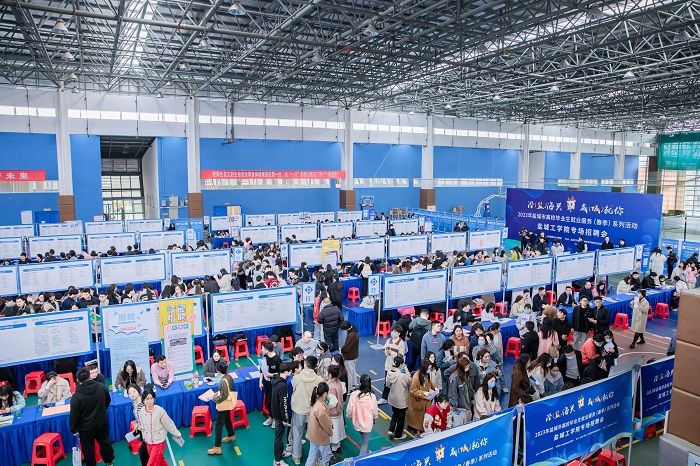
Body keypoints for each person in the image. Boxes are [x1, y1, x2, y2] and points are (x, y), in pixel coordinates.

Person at [70, 368, 115, 466]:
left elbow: (74, 415)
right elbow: (108, 400)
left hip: (85, 428)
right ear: (89, 376)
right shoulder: (102, 387)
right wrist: (101, 412)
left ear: (77, 380)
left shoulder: (76, 397)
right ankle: (109, 462)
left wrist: (73, 429)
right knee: (104, 442)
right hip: (101, 422)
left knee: (88, 449)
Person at [137, 387, 183, 466]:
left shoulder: (160, 411)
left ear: (154, 399)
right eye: (147, 399)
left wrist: (177, 434)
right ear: (143, 400)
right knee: (160, 460)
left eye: (151, 398)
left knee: (152, 464)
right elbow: (142, 424)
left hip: (159, 442)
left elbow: (169, 424)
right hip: (148, 441)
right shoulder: (141, 411)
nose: (149, 401)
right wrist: (140, 428)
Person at [291, 356, 323, 465]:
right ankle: (316, 458)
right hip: (313, 411)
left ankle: (296, 457)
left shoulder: (296, 378)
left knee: (297, 434)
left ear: (305, 364)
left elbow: (293, 387)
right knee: (315, 436)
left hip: (299, 410)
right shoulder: (319, 379)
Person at [207, 363, 237, 455]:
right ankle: (231, 435)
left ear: (218, 371)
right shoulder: (229, 377)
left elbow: (222, 397)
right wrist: (219, 393)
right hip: (228, 402)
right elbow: (227, 391)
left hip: (223, 404)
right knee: (227, 419)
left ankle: (217, 447)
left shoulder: (223, 381)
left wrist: (213, 398)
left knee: (218, 425)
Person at [347, 374, 379, 455]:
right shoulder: (372, 397)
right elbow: (375, 412)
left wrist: (351, 417)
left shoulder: (354, 394)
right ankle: (360, 459)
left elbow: (349, 409)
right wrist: (374, 418)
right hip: (367, 424)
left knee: (363, 439)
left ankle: (366, 452)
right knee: (365, 443)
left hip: (357, 422)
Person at [305, 382, 333, 466]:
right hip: (321, 437)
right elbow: (326, 425)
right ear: (325, 394)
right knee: (327, 458)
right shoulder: (321, 409)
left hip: (313, 434)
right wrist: (330, 432)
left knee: (312, 456)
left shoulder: (316, 402)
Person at [271, 362, 293, 466]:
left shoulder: (275, 380)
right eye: (290, 371)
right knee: (278, 438)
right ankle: (277, 461)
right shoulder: (283, 385)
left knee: (279, 436)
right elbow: (283, 404)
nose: (291, 373)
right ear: (286, 372)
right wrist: (285, 418)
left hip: (275, 413)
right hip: (280, 416)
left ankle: (281, 452)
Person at [407, 360, 437, 433]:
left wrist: (435, 388)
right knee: (417, 418)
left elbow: (429, 382)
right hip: (418, 401)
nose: (429, 370)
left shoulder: (426, 374)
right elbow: (413, 391)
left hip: (426, 400)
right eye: (428, 368)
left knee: (424, 416)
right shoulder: (416, 378)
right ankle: (416, 429)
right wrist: (424, 393)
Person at [386, 356, 411, 441]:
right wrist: (406, 369)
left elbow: (387, 385)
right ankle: (398, 434)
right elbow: (409, 380)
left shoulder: (389, 373)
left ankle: (391, 430)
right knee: (401, 418)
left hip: (392, 398)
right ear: (401, 364)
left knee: (395, 414)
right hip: (401, 400)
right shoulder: (402, 376)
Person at [379, 325, 406, 404]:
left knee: (396, 383)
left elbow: (400, 356)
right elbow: (386, 353)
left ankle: (396, 397)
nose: (392, 333)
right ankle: (384, 398)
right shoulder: (389, 340)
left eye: (394, 332)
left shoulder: (401, 343)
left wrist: (392, 353)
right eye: (392, 331)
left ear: (398, 333)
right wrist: (386, 351)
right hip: (388, 365)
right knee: (387, 382)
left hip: (396, 367)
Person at [260, 341, 283, 427]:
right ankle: (271, 417)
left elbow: (281, 373)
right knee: (269, 402)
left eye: (262, 348)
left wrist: (271, 375)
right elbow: (261, 370)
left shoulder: (277, 359)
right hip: (266, 384)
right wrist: (260, 382)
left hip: (274, 384)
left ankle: (276, 419)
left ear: (267, 350)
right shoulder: (264, 357)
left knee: (274, 402)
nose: (261, 350)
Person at [126, 384, 149, 466]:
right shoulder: (134, 402)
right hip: (142, 431)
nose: (131, 394)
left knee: (144, 454)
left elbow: (146, 421)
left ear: (139, 391)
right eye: (129, 393)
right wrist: (137, 423)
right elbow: (139, 417)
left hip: (148, 433)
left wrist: (137, 429)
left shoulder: (142, 405)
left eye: (133, 391)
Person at [447, 355, 474, 426]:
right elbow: (453, 394)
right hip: (460, 408)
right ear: (461, 367)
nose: (468, 367)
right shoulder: (454, 377)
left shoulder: (466, 374)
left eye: (468, 365)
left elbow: (469, 388)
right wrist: (455, 407)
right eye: (466, 366)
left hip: (468, 405)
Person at [326, 366, 346, 456]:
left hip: (333, 412)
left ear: (330, 374)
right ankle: (337, 446)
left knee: (334, 432)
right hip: (339, 410)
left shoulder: (331, 386)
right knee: (339, 430)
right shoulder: (338, 382)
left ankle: (334, 449)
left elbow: (330, 401)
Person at [339, 321, 359, 389]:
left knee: (349, 373)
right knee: (353, 371)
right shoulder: (352, 331)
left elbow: (347, 347)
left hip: (350, 357)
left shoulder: (352, 335)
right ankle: (354, 384)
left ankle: (350, 388)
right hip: (353, 355)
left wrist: (341, 350)